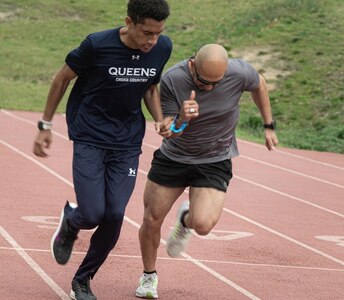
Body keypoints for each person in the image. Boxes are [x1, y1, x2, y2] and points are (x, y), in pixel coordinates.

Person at [32, 1, 172, 299]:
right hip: (90, 135)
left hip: (127, 141)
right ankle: (72, 221)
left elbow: (149, 87)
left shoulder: (162, 49)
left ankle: (82, 280)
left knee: (115, 214)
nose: (152, 41)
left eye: (158, 33)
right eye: (147, 32)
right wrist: (45, 125)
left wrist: (159, 120)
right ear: (129, 22)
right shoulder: (97, 44)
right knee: (93, 212)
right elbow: (61, 79)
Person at [135, 44, 279, 299]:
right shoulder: (173, 79)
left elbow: (260, 83)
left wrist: (268, 124)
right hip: (175, 156)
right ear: (192, 65)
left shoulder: (239, 71)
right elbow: (167, 130)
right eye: (203, 82)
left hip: (215, 158)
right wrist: (181, 119)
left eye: (216, 82)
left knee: (202, 225)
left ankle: (185, 221)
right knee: (151, 218)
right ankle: (149, 276)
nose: (209, 88)